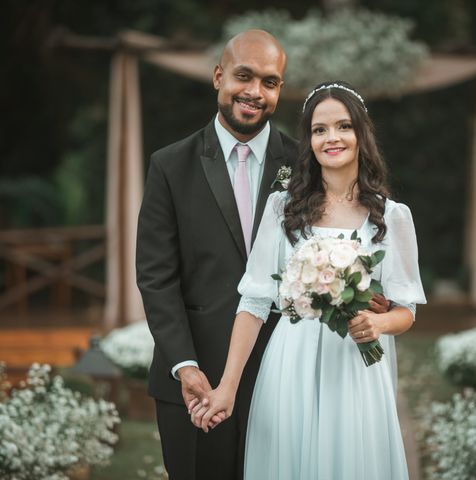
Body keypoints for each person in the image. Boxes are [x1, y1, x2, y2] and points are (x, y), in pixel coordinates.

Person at [190, 81, 427, 480]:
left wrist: (378, 323)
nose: (331, 138)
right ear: (309, 141)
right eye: (319, 130)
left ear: (361, 134)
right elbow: (253, 303)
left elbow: (406, 310)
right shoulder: (283, 208)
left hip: (355, 369)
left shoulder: (392, 216)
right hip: (290, 364)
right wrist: (227, 388)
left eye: (343, 126)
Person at [135, 30, 297, 480]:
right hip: (197, 383)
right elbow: (155, 277)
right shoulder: (170, 165)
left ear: (279, 89)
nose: (254, 92)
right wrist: (184, 365)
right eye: (243, 76)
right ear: (218, 77)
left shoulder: (305, 167)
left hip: (283, 378)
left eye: (270, 81)